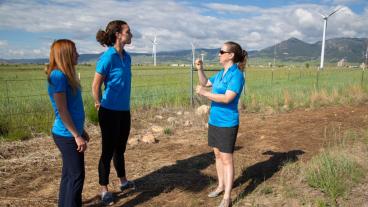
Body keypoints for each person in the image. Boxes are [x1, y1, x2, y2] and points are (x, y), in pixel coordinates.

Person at [195, 41, 247, 207]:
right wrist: (199, 69)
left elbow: (227, 98)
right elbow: (205, 83)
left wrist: (204, 94)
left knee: (227, 159)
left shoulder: (236, 75)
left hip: (227, 123)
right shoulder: (221, 74)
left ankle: (227, 197)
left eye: (221, 51)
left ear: (230, 55)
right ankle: (220, 185)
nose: (219, 54)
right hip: (214, 121)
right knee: (217, 155)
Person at [92, 20, 134, 205]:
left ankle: (123, 181)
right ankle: (103, 189)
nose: (131, 34)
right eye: (128, 31)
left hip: (124, 111)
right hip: (108, 111)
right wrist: (98, 102)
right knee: (107, 151)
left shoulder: (128, 57)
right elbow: (95, 85)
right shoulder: (107, 57)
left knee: (121, 149)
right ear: (118, 34)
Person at [46, 39, 89, 207]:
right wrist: (76, 135)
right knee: (77, 176)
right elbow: (62, 110)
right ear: (65, 55)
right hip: (66, 135)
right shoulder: (58, 76)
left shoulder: (65, 76)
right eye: (74, 51)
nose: (78, 54)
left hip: (69, 132)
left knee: (69, 175)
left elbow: (71, 108)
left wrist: (80, 130)